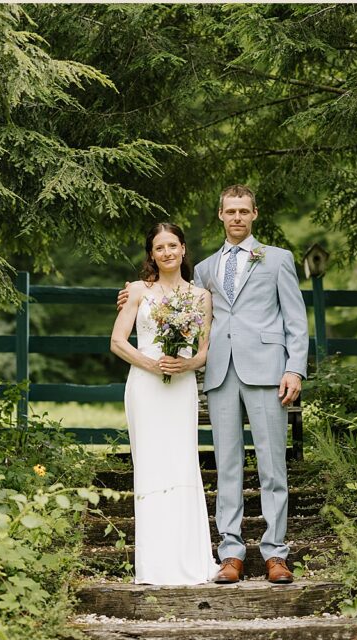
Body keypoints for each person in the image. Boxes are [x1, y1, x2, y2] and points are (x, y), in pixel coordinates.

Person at [118, 185, 308, 584]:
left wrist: (295, 368)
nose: (237, 217)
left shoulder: (277, 259)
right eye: (230, 211)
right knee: (227, 466)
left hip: (268, 371)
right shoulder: (203, 270)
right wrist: (134, 295)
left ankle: (276, 554)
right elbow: (176, 302)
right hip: (220, 374)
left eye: (244, 210)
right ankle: (232, 552)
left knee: (273, 466)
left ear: (255, 214)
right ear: (220, 215)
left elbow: (295, 319)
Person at [110, 222, 220, 585]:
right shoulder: (138, 290)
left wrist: (185, 363)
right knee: (153, 466)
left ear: (184, 249)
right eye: (160, 248)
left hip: (182, 385)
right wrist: (152, 364)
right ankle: (155, 564)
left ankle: (190, 559)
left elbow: (203, 352)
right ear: (152, 255)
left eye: (173, 245)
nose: (167, 252)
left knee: (182, 463)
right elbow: (117, 341)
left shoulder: (200, 296)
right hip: (146, 386)